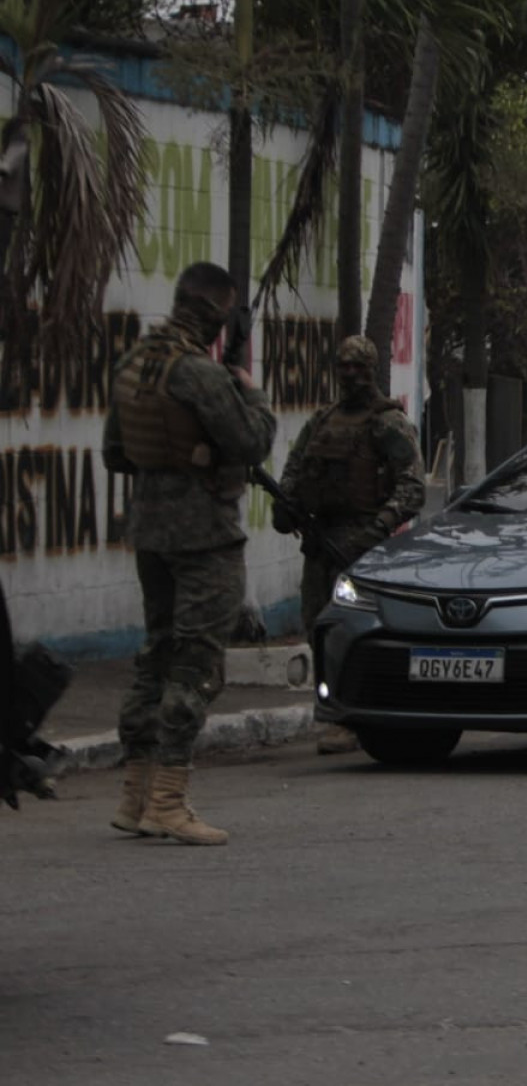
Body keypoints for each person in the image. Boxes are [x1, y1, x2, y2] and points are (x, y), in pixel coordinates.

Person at [102, 261, 277, 845]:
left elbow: (114, 453)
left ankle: (134, 796)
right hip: (204, 536)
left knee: (155, 655)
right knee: (196, 663)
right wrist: (253, 398)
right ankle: (169, 803)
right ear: (215, 315)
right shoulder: (200, 374)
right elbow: (251, 442)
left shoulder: (133, 365)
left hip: (151, 532)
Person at [276, 334, 425, 755]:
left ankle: (352, 716)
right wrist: (287, 507)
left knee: (355, 633)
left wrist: (376, 529)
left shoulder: (388, 423)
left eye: (358, 366)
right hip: (321, 541)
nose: (350, 374)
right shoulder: (323, 420)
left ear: (373, 369)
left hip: (362, 545)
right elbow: (295, 467)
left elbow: (411, 487)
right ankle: (335, 710)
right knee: (318, 630)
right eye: (344, 366)